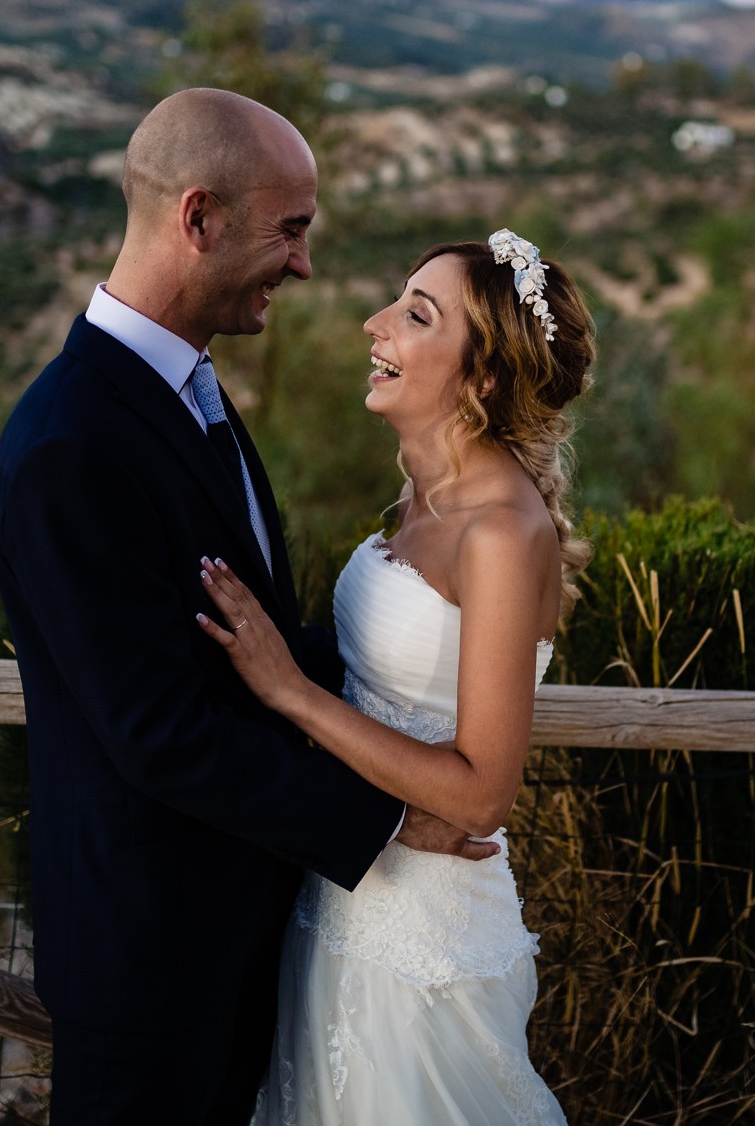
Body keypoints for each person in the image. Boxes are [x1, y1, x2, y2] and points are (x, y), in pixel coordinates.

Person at [0, 87, 496, 1125]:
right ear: (198, 217)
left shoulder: (180, 390)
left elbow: (242, 645)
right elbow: (161, 733)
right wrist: (391, 817)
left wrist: (408, 711)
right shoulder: (71, 446)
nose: (303, 264)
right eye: (289, 229)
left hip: (237, 950)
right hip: (148, 974)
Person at [195, 229, 595, 1124]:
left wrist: (289, 691)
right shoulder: (423, 494)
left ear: (483, 378)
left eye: (416, 315)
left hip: (426, 948)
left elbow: (482, 792)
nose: (375, 325)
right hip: (341, 900)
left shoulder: (500, 530)